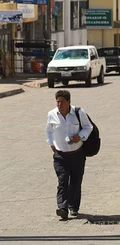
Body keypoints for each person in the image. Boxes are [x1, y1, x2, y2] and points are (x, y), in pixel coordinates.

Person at [45, 90, 94, 219]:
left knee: (75, 182)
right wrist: (51, 143)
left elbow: (88, 127)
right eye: (57, 102)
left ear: (69, 102)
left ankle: (73, 207)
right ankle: (62, 208)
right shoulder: (52, 114)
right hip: (60, 155)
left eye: (62, 102)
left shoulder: (79, 113)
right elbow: (49, 130)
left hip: (77, 155)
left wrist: (80, 136)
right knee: (62, 181)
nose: (59, 105)